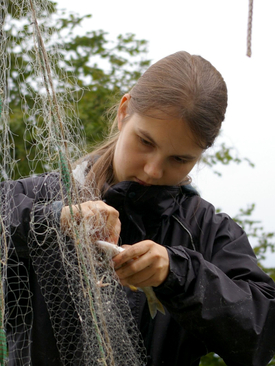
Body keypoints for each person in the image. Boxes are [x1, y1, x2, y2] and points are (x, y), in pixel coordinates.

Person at [2, 51, 275, 365]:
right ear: (124, 112)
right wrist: (51, 220)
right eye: (145, 142)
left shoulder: (208, 230)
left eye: (180, 159)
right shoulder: (39, 194)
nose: (153, 171)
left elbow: (262, 335)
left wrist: (179, 273)